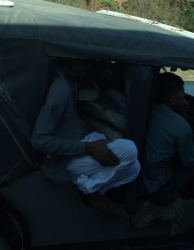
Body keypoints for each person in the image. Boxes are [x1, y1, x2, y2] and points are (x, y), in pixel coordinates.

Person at [31, 59, 141, 217]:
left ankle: (92, 186)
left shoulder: (70, 81)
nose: (89, 65)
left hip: (80, 142)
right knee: (130, 150)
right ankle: (90, 191)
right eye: (84, 62)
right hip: (63, 160)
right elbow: (40, 140)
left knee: (135, 168)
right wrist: (89, 148)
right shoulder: (60, 90)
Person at [141, 72, 194, 205]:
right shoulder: (180, 126)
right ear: (171, 97)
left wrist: (180, 111)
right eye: (182, 91)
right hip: (156, 189)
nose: (184, 95)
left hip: (138, 178)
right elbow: (192, 160)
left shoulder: (144, 107)